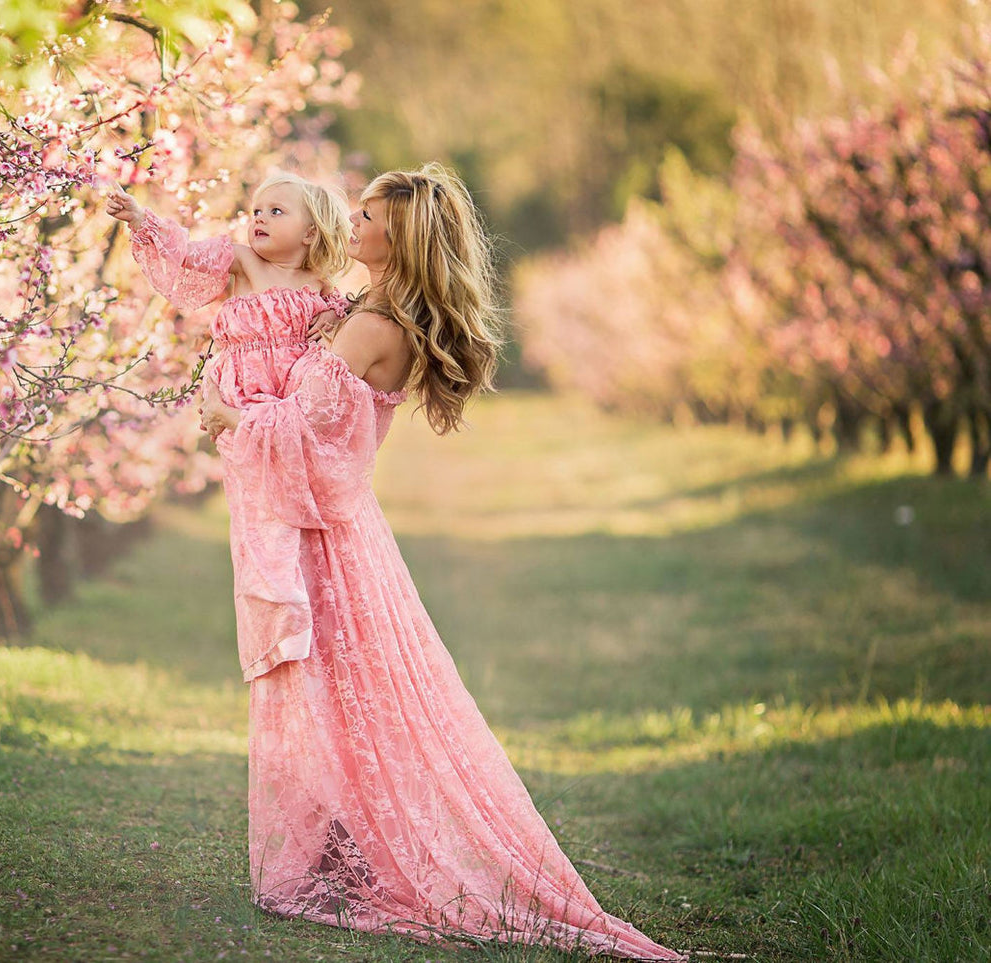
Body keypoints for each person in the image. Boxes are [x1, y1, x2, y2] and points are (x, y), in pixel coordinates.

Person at [197, 163, 686, 960]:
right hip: (333, 528)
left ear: (399, 239)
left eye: (365, 218)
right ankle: (346, 847)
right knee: (338, 694)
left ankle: (365, 855)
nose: (348, 225)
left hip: (328, 536)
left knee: (340, 691)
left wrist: (227, 416)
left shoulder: (374, 323)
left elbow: (305, 438)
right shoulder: (360, 308)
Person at [106, 173, 357, 682]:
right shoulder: (242, 262)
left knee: (293, 510)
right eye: (256, 209)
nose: (258, 217)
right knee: (259, 517)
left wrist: (337, 320)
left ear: (312, 233)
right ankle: (276, 612)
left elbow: (352, 333)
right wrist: (144, 220)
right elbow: (188, 254)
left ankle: (304, 601)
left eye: (275, 211)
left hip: (288, 417)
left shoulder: (323, 292)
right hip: (243, 412)